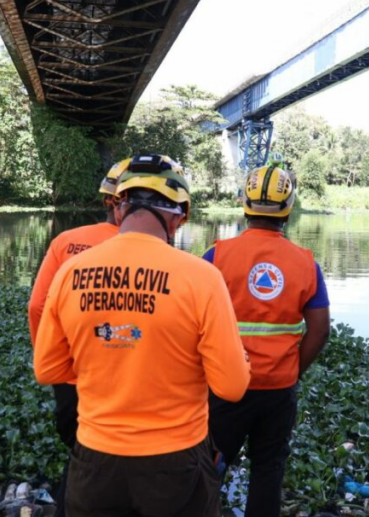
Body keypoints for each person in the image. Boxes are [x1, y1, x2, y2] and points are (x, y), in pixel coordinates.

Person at [33, 154, 251, 517]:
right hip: (175, 463)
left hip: (94, 460)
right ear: (178, 217)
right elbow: (230, 387)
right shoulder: (200, 277)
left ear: (119, 210)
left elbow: (47, 369)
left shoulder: (71, 271)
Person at [203, 164, 331, 517]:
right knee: (268, 467)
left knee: (211, 462)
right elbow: (320, 330)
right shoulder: (306, 264)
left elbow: (189, 318)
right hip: (278, 389)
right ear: (288, 207)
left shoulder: (216, 256)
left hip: (226, 386)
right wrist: (292, 371)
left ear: (244, 203)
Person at [27, 157, 129, 516]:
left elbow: (38, 307)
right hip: (118, 371)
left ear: (108, 200)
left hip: (68, 372)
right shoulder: (151, 253)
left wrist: (51, 360)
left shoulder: (66, 242)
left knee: (79, 445)